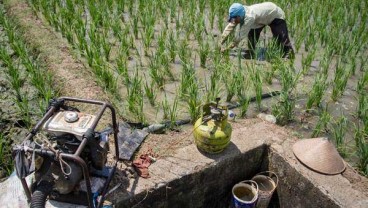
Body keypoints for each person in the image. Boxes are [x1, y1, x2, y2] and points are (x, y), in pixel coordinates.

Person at [220, 2, 294, 58]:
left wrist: (227, 48)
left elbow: (239, 37)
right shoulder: (241, 12)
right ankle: (252, 52)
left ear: (239, 16)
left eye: (235, 19)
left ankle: (289, 53)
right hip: (260, 19)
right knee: (252, 35)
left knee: (281, 36)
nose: (234, 21)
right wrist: (221, 41)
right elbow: (230, 27)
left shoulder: (249, 17)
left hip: (275, 15)